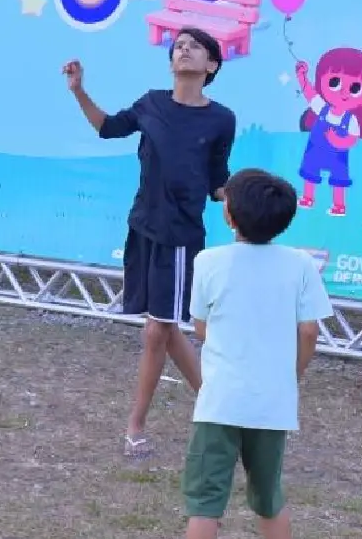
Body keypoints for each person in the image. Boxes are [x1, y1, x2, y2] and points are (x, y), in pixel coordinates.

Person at [172, 168, 332, 539]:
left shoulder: (210, 261)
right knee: (268, 490)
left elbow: (200, 325)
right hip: (273, 402)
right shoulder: (301, 264)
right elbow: (309, 330)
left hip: (220, 400)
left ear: (229, 215)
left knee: (205, 499)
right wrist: (292, 375)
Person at [63, 27, 234, 460]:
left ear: (211, 65)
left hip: (181, 234)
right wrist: (79, 91)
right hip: (143, 227)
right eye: (178, 44)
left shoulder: (220, 119)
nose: (184, 48)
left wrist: (246, 203)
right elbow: (107, 128)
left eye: (194, 45)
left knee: (158, 330)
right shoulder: (151, 103)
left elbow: (217, 181)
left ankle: (139, 424)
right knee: (164, 326)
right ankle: (219, 407)